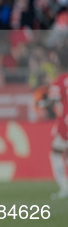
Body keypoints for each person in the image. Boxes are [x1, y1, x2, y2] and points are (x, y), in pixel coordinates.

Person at [44, 48, 68, 199]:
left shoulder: (59, 80)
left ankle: (65, 189)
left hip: (65, 123)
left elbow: (52, 102)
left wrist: (42, 103)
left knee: (56, 153)